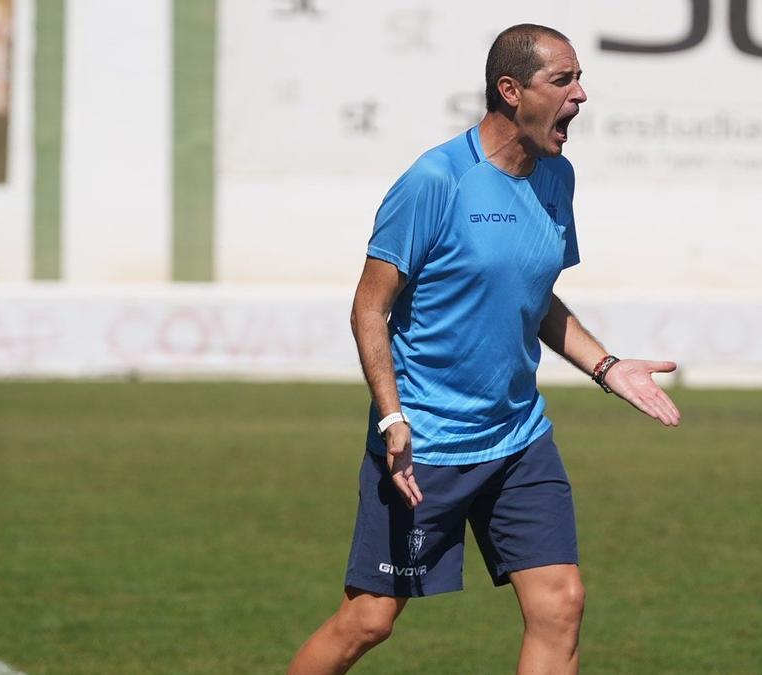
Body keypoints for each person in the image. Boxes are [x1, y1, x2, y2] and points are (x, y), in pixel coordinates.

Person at [287, 23, 681, 675]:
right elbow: (369, 306)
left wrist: (607, 367)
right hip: (426, 446)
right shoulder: (435, 181)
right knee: (368, 620)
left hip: (518, 438)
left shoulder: (557, 179)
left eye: (580, 79)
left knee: (560, 604)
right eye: (563, 80)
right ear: (511, 90)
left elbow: (534, 297)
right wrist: (392, 416)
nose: (581, 96)